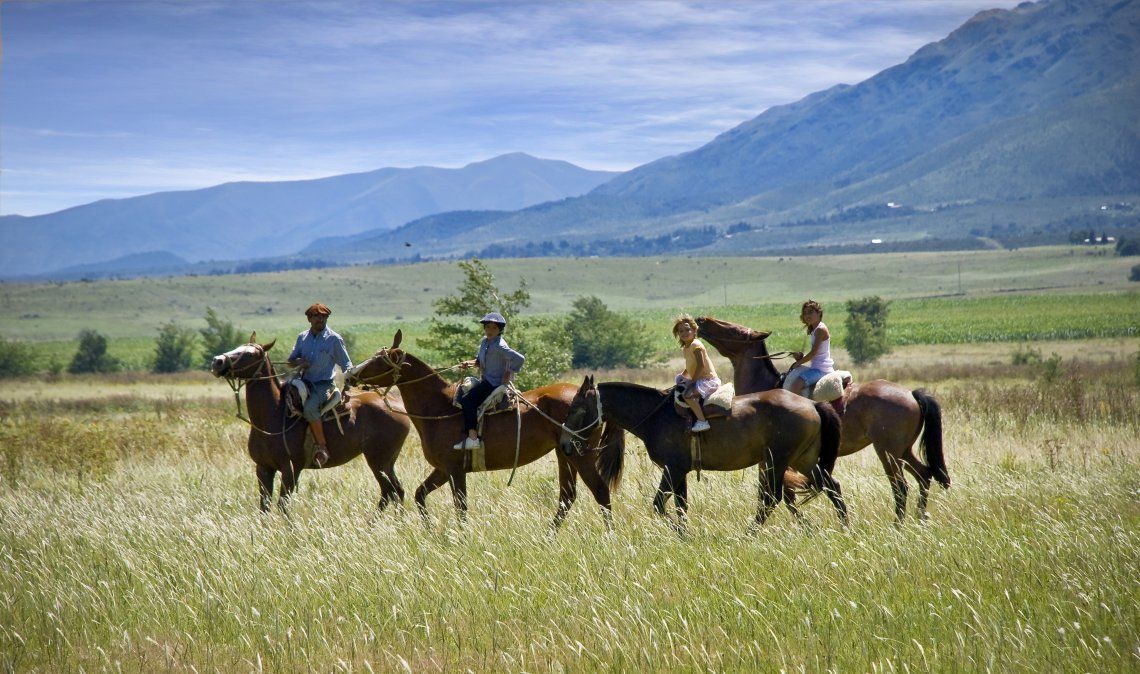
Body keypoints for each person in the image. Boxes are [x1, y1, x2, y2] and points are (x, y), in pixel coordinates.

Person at [287, 303, 352, 467]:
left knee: (309, 408)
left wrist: (348, 387)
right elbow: (290, 361)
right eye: (316, 316)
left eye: (323, 317)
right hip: (304, 382)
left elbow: (347, 366)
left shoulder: (334, 339)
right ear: (309, 319)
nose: (320, 320)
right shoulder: (302, 337)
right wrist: (298, 362)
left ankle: (322, 447)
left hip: (324, 385)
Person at [454, 312, 525, 450]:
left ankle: (472, 438)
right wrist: (468, 363)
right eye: (487, 327)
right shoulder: (485, 342)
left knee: (467, 401)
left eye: (493, 328)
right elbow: (480, 361)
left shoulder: (500, 346)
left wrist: (509, 371)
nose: (490, 331)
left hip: (493, 384)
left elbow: (520, 359)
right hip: (485, 381)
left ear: (499, 330)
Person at [673, 314, 720, 432]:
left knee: (687, 395)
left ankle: (702, 421)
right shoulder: (686, 348)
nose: (684, 333)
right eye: (681, 331)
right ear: (678, 334)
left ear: (694, 330)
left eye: (687, 329)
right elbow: (691, 366)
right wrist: (682, 376)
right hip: (699, 378)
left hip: (708, 380)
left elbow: (701, 365)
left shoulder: (696, 345)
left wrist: (692, 382)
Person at [786, 299, 834, 398]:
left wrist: (798, 363)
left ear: (819, 313)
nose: (807, 315)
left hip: (821, 369)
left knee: (795, 385)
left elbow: (813, 353)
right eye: (805, 313)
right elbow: (816, 354)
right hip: (816, 367)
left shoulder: (820, 329)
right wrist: (801, 357)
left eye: (810, 312)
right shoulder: (814, 329)